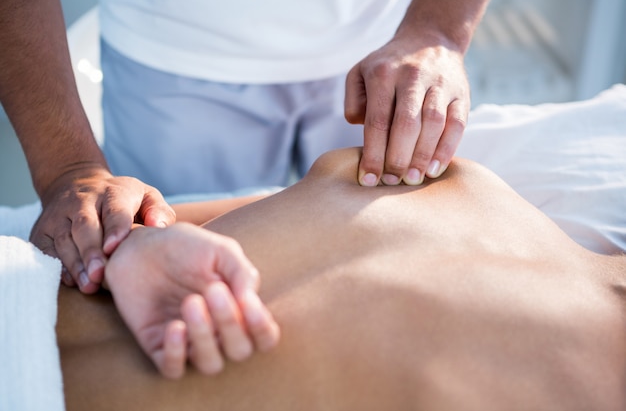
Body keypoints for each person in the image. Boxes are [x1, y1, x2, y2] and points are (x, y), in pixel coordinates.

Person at [58, 147, 626, 410]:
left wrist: (126, 245)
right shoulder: (453, 182)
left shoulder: (461, 186)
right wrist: (131, 246)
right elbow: (124, 216)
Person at [0, 0, 491, 294]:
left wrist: (437, 29)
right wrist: (71, 168)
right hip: (174, 56)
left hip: (382, 50)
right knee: (143, 245)